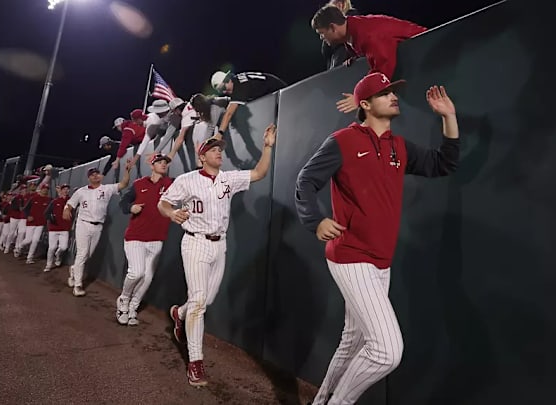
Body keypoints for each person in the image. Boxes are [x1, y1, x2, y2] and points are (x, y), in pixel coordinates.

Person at [294, 72, 459, 405]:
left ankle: (321, 400)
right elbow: (305, 181)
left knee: (353, 342)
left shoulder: (398, 146)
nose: (392, 96)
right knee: (387, 351)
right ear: (365, 104)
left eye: (393, 91)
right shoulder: (343, 140)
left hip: (381, 260)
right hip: (351, 255)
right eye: (384, 93)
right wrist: (315, 220)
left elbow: (444, 163)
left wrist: (449, 117)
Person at [158, 125, 276, 386]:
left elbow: (259, 172)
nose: (218, 153)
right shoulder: (186, 180)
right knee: (199, 302)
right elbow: (163, 203)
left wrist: (267, 147)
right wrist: (171, 213)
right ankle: (196, 362)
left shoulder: (228, 178)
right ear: (202, 157)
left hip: (219, 245)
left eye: (219, 149)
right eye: (213, 150)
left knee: (205, 300)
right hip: (195, 243)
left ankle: (179, 314)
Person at [311, 4, 427, 112]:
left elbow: (383, 68)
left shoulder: (369, 35)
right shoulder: (352, 31)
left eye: (321, 33)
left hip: (429, 54)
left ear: (332, 27)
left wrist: (360, 97)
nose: (322, 38)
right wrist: (356, 57)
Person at [115, 153, 175, 326]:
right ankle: (123, 300)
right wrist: (130, 207)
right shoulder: (138, 184)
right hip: (135, 237)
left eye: (166, 162)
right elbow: (123, 202)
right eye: (160, 162)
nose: (164, 164)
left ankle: (133, 307)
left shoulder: (171, 184)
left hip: (157, 239)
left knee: (147, 278)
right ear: (151, 164)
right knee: (136, 272)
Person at [63, 163, 133, 297]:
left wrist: (127, 171)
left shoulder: (106, 189)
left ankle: (74, 269)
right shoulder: (81, 191)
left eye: (97, 173)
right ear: (89, 178)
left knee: (87, 255)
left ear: (101, 176)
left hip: (98, 226)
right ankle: (78, 285)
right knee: (82, 254)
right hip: (83, 224)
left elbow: (123, 184)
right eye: (92, 174)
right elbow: (70, 203)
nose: (95, 176)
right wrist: (66, 210)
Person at [209, 71, 286, 141]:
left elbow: (229, 113)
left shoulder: (239, 87)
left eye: (223, 88)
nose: (225, 92)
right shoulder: (237, 81)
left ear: (228, 79)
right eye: (221, 91)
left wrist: (219, 134)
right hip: (275, 92)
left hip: (281, 93)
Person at [103, 109, 148, 176]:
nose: (118, 130)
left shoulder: (127, 129)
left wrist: (117, 160)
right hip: (146, 138)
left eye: (117, 128)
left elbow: (123, 145)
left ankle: (139, 176)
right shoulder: (131, 124)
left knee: (136, 153)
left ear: (119, 125)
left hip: (144, 141)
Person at [320, 0, 360, 70]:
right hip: (334, 64)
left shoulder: (351, 17)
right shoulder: (331, 26)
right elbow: (325, 51)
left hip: (346, 63)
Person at [18, 184, 51, 264]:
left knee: (35, 240)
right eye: (44, 188)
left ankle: (29, 257)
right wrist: (28, 216)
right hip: (31, 222)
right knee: (28, 240)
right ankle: (19, 247)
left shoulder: (49, 200)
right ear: (41, 189)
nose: (45, 190)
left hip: (40, 223)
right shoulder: (34, 198)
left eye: (47, 189)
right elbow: (25, 209)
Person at [43, 184, 72, 272]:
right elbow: (46, 213)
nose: (66, 191)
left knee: (63, 247)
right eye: (64, 189)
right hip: (54, 228)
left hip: (65, 228)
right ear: (61, 190)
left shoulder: (71, 201)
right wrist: (51, 219)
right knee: (52, 247)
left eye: (67, 189)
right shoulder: (55, 201)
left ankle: (58, 256)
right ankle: (48, 265)